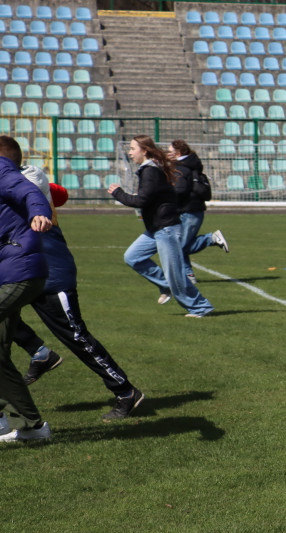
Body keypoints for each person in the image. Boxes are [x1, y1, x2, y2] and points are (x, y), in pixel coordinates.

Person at [13, 149, 144, 420]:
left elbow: (46, 192)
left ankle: (125, 391)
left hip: (51, 274)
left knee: (77, 337)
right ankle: (39, 353)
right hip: (23, 271)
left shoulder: (30, 176)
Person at [109, 135, 214, 318]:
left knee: (175, 274)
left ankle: (200, 307)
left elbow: (142, 200)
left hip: (166, 228)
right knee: (133, 256)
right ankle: (166, 285)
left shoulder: (150, 171)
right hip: (156, 228)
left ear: (145, 151)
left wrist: (118, 193)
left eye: (133, 149)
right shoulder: (150, 169)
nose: (130, 152)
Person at [0, 135, 52, 441]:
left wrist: (38, 212)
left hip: (21, 272)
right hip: (11, 272)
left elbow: (29, 191)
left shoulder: (3, 170)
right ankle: (32, 427)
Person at [168, 140, 229, 285]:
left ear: (178, 153)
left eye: (169, 151)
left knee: (180, 246)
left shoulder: (181, 168)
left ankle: (211, 239)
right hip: (191, 210)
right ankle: (188, 274)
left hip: (189, 210)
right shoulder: (189, 164)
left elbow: (181, 190)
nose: (167, 153)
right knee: (180, 245)